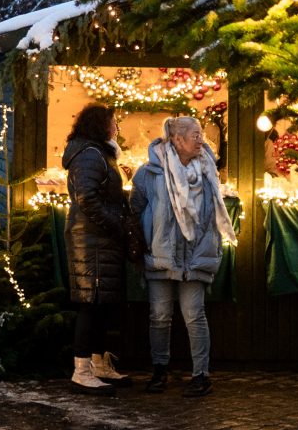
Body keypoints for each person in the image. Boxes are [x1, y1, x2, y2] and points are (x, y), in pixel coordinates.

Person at [130, 114, 229, 397]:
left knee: (194, 315)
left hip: (196, 254)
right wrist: (148, 239)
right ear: (177, 139)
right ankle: (159, 370)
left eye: (201, 135)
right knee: (159, 316)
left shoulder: (209, 170)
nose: (201, 139)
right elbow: (136, 208)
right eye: (195, 135)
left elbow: (212, 215)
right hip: (161, 254)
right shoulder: (149, 173)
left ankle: (201, 375)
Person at [62, 103, 137, 392]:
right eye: (113, 122)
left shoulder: (98, 154)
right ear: (99, 125)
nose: (116, 127)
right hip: (92, 241)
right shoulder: (90, 155)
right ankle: (82, 369)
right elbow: (87, 198)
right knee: (90, 303)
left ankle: (99, 363)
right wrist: (116, 223)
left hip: (101, 240)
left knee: (102, 304)